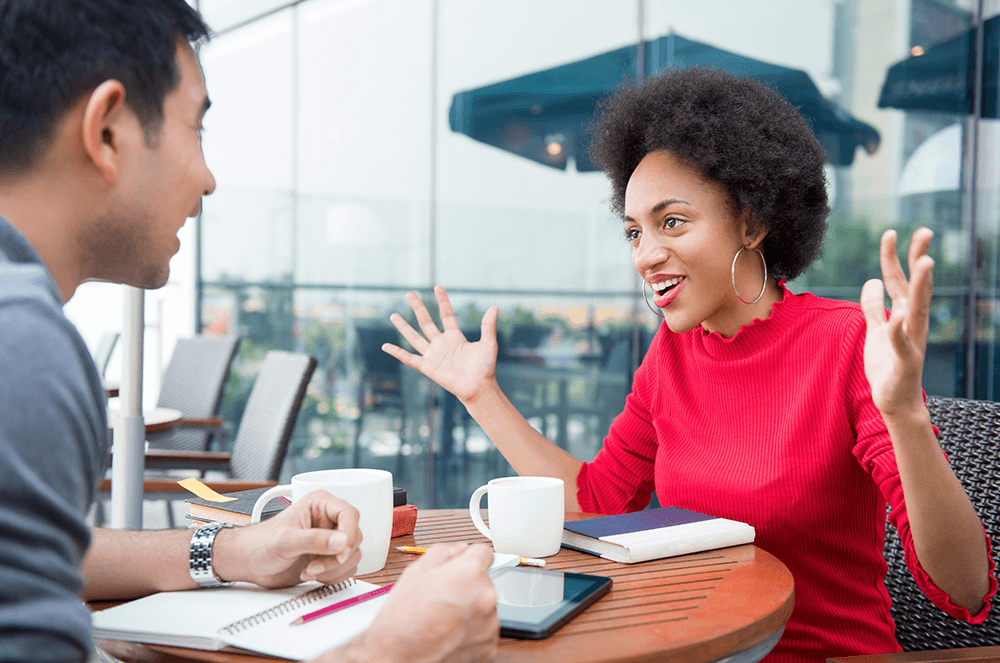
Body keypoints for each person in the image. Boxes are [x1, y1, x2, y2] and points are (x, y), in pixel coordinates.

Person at [382, 67, 997, 662]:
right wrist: (479, 393)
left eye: (671, 222)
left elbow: (965, 587)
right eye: (633, 233)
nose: (646, 255)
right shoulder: (671, 354)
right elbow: (598, 500)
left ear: (752, 222)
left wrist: (906, 417)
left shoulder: (845, 343)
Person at [0, 1, 498, 662]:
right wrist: (395, 649)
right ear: (109, 129)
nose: (207, 179)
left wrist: (236, 549)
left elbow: (48, 548)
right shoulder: (23, 346)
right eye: (196, 128)